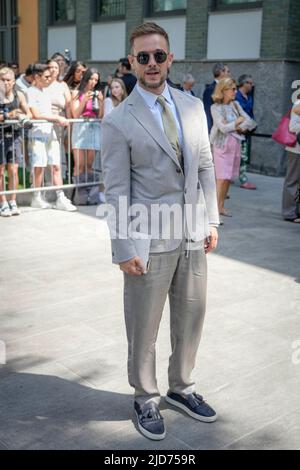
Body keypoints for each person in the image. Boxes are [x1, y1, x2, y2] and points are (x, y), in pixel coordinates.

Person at [101, 22, 220, 441]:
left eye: (159, 55)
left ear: (170, 58)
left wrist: (212, 219)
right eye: (143, 57)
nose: (152, 63)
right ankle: (145, 396)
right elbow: (116, 189)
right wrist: (122, 246)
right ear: (132, 62)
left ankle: (181, 387)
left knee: (192, 317)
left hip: (192, 235)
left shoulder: (191, 106)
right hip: (147, 239)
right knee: (144, 325)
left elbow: (205, 165)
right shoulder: (118, 120)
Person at [27, 63, 76, 211]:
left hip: (50, 133)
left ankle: (60, 197)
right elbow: (36, 115)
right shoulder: (30, 92)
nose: (49, 79)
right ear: (37, 77)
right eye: (46, 77)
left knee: (56, 165)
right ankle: (37, 196)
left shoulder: (45, 91)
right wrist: (56, 118)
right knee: (39, 167)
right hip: (37, 134)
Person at [210, 78, 256, 218]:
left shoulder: (236, 105)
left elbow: (250, 122)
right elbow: (222, 128)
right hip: (221, 145)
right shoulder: (215, 107)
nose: (235, 92)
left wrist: (237, 126)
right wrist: (237, 122)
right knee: (221, 178)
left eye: (235, 89)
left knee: (228, 177)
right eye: (233, 89)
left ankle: (221, 206)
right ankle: (214, 212)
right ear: (223, 90)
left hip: (235, 144)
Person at [0, 67, 31, 216]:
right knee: (0, 172)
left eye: (8, 80)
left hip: (14, 135)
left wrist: (22, 114)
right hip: (0, 136)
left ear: (13, 81)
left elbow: (29, 112)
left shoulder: (19, 95)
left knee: (13, 170)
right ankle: (2, 202)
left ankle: (13, 201)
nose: (5, 83)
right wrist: (9, 115)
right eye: (2, 80)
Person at [71, 67, 103, 178]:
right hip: (80, 128)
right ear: (86, 78)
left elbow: (100, 116)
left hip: (94, 128)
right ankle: (78, 193)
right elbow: (75, 114)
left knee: (89, 166)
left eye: (96, 80)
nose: (93, 82)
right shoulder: (76, 92)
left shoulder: (97, 93)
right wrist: (84, 100)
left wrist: (101, 101)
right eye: (91, 79)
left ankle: (88, 192)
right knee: (79, 166)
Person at [236, 74, 257, 190]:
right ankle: (233, 177)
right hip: (237, 130)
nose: (251, 85)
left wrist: (252, 125)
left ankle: (243, 177)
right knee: (237, 155)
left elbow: (250, 112)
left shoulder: (249, 97)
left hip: (247, 131)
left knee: (244, 155)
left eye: (251, 83)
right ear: (243, 83)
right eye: (249, 82)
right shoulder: (236, 95)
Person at [282, 94, 300, 223]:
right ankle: (289, 213)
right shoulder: (298, 104)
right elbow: (292, 127)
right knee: (292, 180)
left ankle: (296, 211)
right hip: (296, 149)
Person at [203, 63, 231, 133]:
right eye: (228, 71)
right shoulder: (210, 89)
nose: (229, 74)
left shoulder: (227, 89)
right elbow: (208, 112)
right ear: (221, 72)